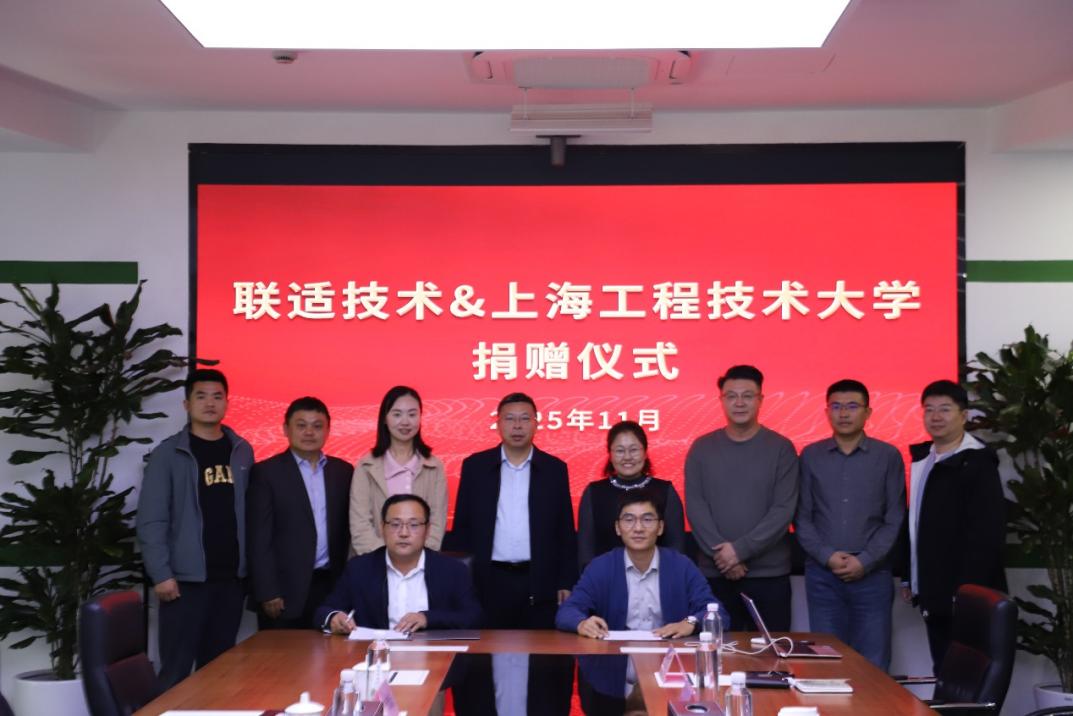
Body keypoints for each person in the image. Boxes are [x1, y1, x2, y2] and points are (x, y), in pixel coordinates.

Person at [136, 369, 253, 689]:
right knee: (175, 673)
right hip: (184, 583)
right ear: (187, 404)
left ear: (227, 403)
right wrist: (161, 574)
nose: (210, 403)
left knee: (219, 674)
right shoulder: (168, 454)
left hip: (230, 581)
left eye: (217, 396)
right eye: (201, 396)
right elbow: (152, 518)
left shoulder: (242, 450)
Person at [795, 379, 906, 671]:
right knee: (826, 664)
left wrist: (865, 560)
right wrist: (827, 556)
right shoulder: (811, 455)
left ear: (868, 412)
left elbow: (894, 517)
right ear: (827, 412)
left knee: (873, 664)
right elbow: (802, 517)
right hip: (823, 574)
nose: (844, 413)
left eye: (852, 406)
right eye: (836, 406)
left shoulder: (888, 456)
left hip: (873, 574)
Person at [898, 379, 1007, 671]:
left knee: (969, 673)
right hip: (933, 589)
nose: (935, 417)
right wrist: (910, 576)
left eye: (945, 409)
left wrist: (967, 592)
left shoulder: (978, 462)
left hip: (966, 594)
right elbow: (915, 522)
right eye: (929, 409)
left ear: (963, 415)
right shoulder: (924, 459)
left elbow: (987, 534)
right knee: (944, 669)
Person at [446, 392, 577, 629]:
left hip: (539, 580)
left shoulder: (554, 469)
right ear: (497, 424)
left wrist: (566, 581)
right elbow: (462, 527)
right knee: (486, 648)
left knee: (541, 648)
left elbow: (565, 531)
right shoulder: (476, 466)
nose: (517, 426)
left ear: (536, 424)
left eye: (525, 418)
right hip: (488, 579)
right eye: (509, 419)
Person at [685, 364, 799, 631]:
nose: (739, 403)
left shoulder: (781, 448)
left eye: (747, 396)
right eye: (731, 396)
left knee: (772, 653)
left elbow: (783, 509)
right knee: (717, 650)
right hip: (715, 574)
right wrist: (723, 555)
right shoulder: (702, 448)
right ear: (721, 400)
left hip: (769, 576)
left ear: (760, 400)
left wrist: (739, 551)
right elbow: (696, 506)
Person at [557, 489, 727, 639]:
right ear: (618, 528)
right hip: (615, 657)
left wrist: (690, 623)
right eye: (629, 520)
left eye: (647, 519)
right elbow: (567, 611)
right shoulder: (600, 567)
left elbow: (718, 613)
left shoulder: (682, 566)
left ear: (660, 527)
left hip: (669, 657)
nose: (638, 528)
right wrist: (581, 623)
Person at [246, 397, 353, 629]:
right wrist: (267, 590)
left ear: (328, 430)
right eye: (301, 425)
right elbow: (259, 537)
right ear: (286, 429)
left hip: (330, 587)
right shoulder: (266, 473)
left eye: (317, 426)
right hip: (283, 592)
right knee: (280, 653)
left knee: (331, 651)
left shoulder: (343, 472)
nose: (309, 432)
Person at [316, 494, 482, 633]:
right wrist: (333, 618)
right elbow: (324, 611)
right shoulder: (359, 568)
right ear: (382, 528)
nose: (404, 533)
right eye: (395, 524)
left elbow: (474, 618)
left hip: (434, 655)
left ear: (427, 530)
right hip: (377, 656)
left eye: (414, 525)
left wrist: (427, 618)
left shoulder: (453, 570)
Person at [350, 385, 448, 554]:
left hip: (421, 562)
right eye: (397, 414)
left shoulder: (434, 466)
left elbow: (436, 524)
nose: (405, 422)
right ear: (384, 419)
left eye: (412, 414)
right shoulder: (366, 466)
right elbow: (360, 525)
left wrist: (416, 560)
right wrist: (387, 561)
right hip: (374, 561)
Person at [576, 421, 686, 569]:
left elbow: (676, 548)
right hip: (605, 578)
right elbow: (586, 551)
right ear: (610, 455)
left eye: (634, 450)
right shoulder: (594, 492)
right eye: (620, 451)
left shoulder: (665, 491)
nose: (627, 457)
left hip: (656, 577)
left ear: (645, 452)